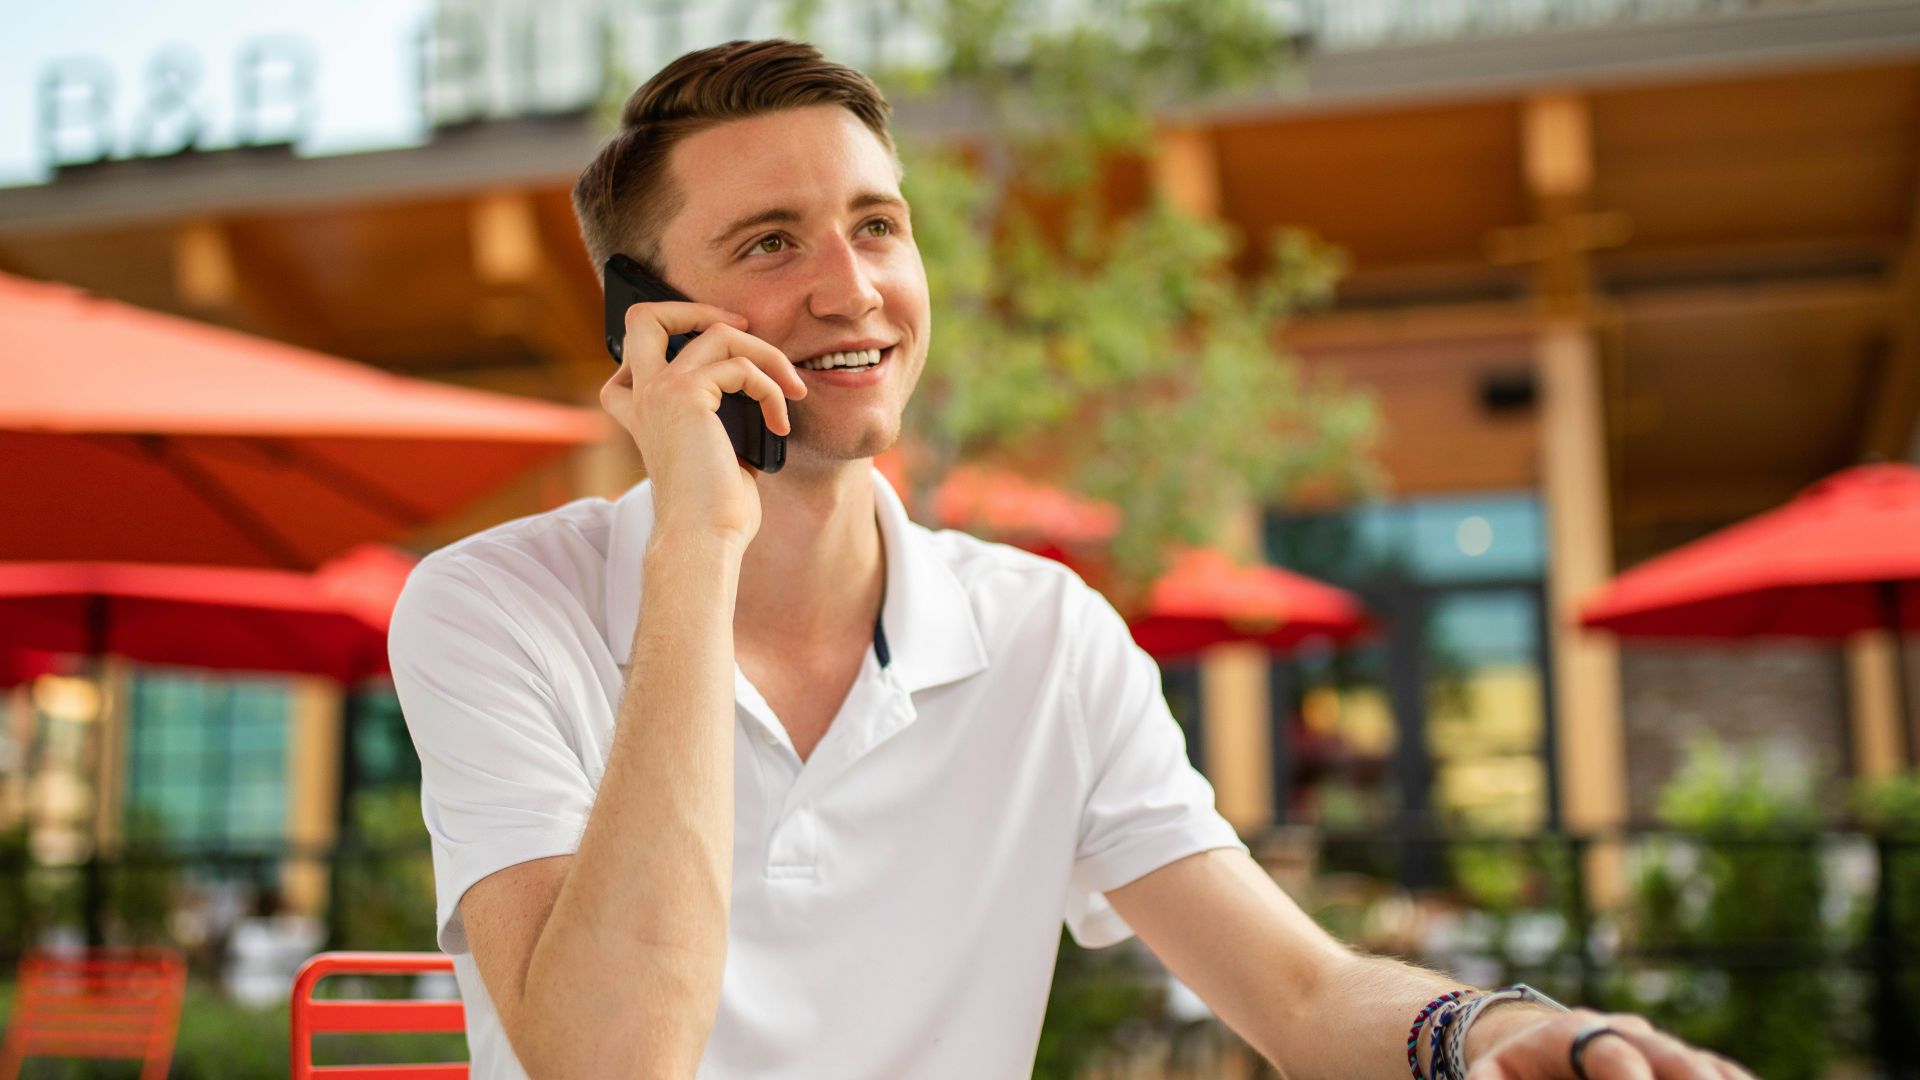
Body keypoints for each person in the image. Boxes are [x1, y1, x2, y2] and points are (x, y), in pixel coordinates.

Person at [387, 38, 1757, 1080]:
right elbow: (605, 1061)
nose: (852, 287)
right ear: (650, 325)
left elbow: (1293, 992)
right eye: (769, 244)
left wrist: (1492, 1033)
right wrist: (696, 544)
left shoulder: (1047, 634)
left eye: (877, 224)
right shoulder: (496, 608)